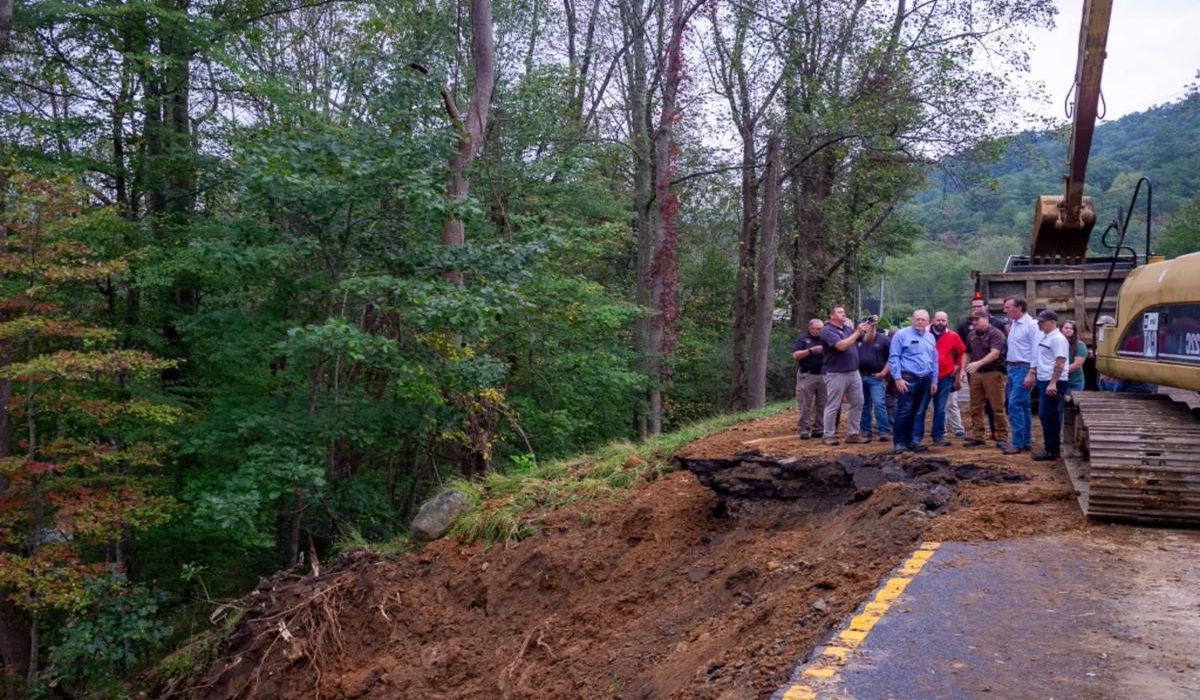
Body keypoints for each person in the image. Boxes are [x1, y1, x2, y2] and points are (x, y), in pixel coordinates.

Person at [819, 306, 872, 445]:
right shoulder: (827, 330)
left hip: (853, 372)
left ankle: (853, 434)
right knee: (833, 404)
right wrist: (857, 332)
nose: (843, 314)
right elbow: (841, 346)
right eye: (840, 312)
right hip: (835, 373)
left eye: (844, 312)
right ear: (831, 316)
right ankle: (828, 435)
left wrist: (871, 326)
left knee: (858, 402)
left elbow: (867, 339)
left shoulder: (847, 329)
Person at [888, 309, 938, 454]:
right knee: (904, 410)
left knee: (915, 411)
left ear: (929, 322)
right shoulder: (901, 335)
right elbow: (894, 357)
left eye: (923, 319)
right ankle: (899, 442)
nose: (920, 322)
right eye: (917, 319)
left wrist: (934, 380)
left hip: (925, 379)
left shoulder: (930, 337)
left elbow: (934, 360)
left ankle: (910, 441)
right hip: (908, 378)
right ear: (912, 319)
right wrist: (897, 378)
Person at [961, 310, 1010, 449]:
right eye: (972, 320)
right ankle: (978, 435)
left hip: (993, 373)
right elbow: (967, 353)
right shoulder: (971, 335)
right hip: (976, 374)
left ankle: (1001, 436)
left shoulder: (996, 334)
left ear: (986, 319)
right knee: (975, 406)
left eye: (977, 319)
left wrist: (978, 363)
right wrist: (963, 370)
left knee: (997, 407)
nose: (974, 322)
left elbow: (995, 353)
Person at [1025, 310, 1069, 461]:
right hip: (1044, 379)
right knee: (1046, 416)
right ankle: (1050, 448)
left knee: (1049, 415)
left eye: (1042, 322)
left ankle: (1052, 449)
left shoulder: (1057, 339)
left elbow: (1060, 361)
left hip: (1054, 381)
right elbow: (1037, 357)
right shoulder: (1044, 337)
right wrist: (1032, 372)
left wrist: (1053, 382)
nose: (1039, 324)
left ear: (1052, 322)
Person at [919, 311, 966, 447]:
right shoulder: (924, 334)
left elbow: (961, 352)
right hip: (925, 376)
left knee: (941, 407)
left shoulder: (953, 336)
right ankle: (917, 436)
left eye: (943, 321)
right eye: (938, 320)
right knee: (921, 407)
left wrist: (958, 367)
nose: (940, 323)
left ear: (947, 321)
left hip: (945, 376)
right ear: (933, 320)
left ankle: (938, 435)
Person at [1002, 296, 1038, 455]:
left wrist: (1031, 372)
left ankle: (1017, 442)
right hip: (1012, 368)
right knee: (1022, 405)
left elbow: (1037, 350)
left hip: (1024, 368)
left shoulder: (1031, 325)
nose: (1005, 310)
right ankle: (1025, 441)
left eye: (1008, 307)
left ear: (1019, 308)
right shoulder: (1015, 324)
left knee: (1014, 405)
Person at [856, 318, 892, 442]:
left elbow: (892, 358)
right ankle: (866, 431)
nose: (866, 327)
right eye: (863, 325)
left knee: (878, 403)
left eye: (868, 325)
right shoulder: (857, 338)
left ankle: (883, 431)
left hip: (876, 377)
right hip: (859, 377)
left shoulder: (884, 340)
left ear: (873, 326)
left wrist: (883, 373)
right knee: (864, 405)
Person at [792, 318, 827, 439]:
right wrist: (811, 350)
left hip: (824, 374)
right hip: (807, 375)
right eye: (818, 329)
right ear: (810, 328)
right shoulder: (803, 338)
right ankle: (804, 429)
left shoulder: (825, 338)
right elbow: (795, 355)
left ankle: (819, 428)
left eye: (822, 328)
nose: (821, 331)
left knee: (822, 404)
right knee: (805, 404)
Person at [1061, 320, 1087, 394]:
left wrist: (1058, 373)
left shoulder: (1079, 345)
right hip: (1058, 381)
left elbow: (1077, 365)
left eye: (1071, 328)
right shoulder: (1056, 343)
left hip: (1074, 383)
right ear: (1061, 329)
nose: (1068, 330)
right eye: (1066, 327)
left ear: (1074, 331)